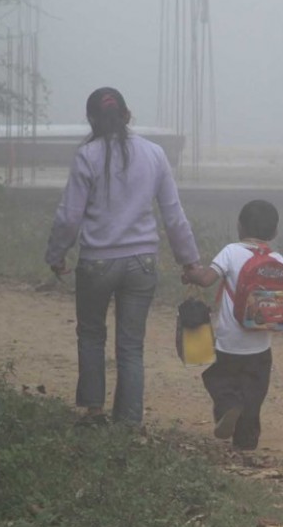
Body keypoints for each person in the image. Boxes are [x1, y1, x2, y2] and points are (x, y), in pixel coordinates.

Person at [45, 87, 200, 427]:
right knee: (131, 346)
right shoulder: (155, 154)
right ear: (128, 116)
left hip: (97, 261)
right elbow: (173, 214)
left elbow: (69, 215)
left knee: (91, 334)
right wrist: (189, 260)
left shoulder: (87, 155)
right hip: (142, 263)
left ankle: (93, 412)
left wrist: (56, 254)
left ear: (91, 120)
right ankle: (129, 422)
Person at [182, 199, 283, 451]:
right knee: (254, 393)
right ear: (274, 233)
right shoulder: (278, 260)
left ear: (239, 227)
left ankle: (227, 405)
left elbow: (207, 279)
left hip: (228, 343)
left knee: (218, 378)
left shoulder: (231, 252)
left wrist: (191, 273)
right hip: (261, 345)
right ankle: (246, 444)